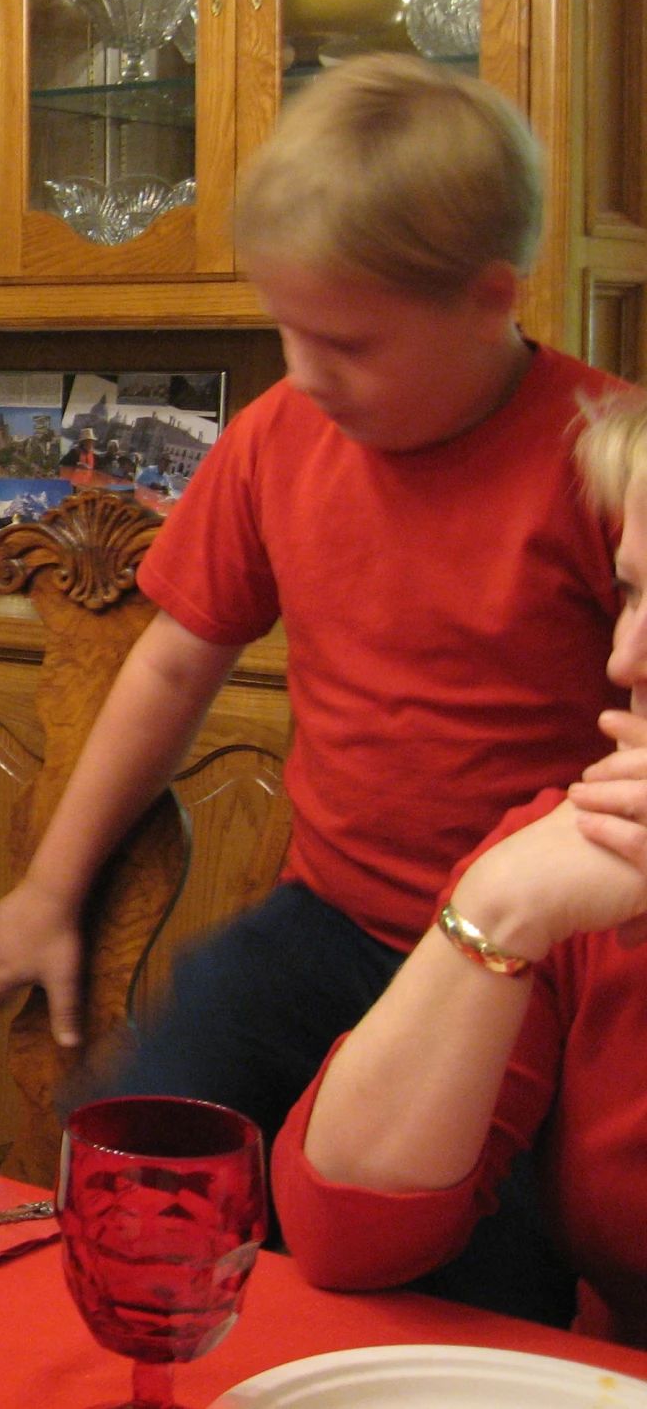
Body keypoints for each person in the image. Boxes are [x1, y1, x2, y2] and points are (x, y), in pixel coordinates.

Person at [0, 56, 626, 1313]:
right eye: (285, 327)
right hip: (328, 922)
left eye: (344, 340)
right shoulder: (279, 432)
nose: (303, 370)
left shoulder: (600, 454)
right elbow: (169, 664)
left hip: (538, 971)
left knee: (452, 1274)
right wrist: (52, 883)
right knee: (129, 1144)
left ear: (492, 298)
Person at [273, 392, 647, 1348]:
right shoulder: (585, 853)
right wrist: (500, 905)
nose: (624, 656)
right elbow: (345, 1231)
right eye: (634, 592)